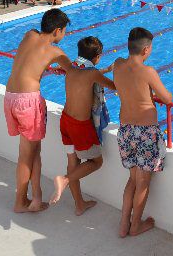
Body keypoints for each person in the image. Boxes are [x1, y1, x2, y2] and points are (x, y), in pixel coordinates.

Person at [3, 8, 72, 213]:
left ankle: (36, 198)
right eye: (64, 31)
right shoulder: (56, 52)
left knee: (34, 151)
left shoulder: (29, 34)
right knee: (26, 155)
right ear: (57, 30)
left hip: (10, 97)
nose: (64, 35)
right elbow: (74, 71)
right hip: (28, 101)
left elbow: (29, 61)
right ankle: (20, 202)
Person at [113, 27, 173, 237]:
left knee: (132, 180)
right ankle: (136, 225)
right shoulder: (148, 72)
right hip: (146, 133)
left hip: (126, 130)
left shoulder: (118, 65)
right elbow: (167, 98)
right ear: (146, 49)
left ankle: (123, 225)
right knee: (143, 183)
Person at [53, 35, 115, 215]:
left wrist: (105, 69)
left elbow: (88, 74)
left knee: (73, 162)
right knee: (96, 161)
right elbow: (114, 86)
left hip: (65, 120)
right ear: (96, 57)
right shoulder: (92, 73)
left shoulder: (72, 67)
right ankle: (64, 180)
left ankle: (79, 204)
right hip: (80, 125)